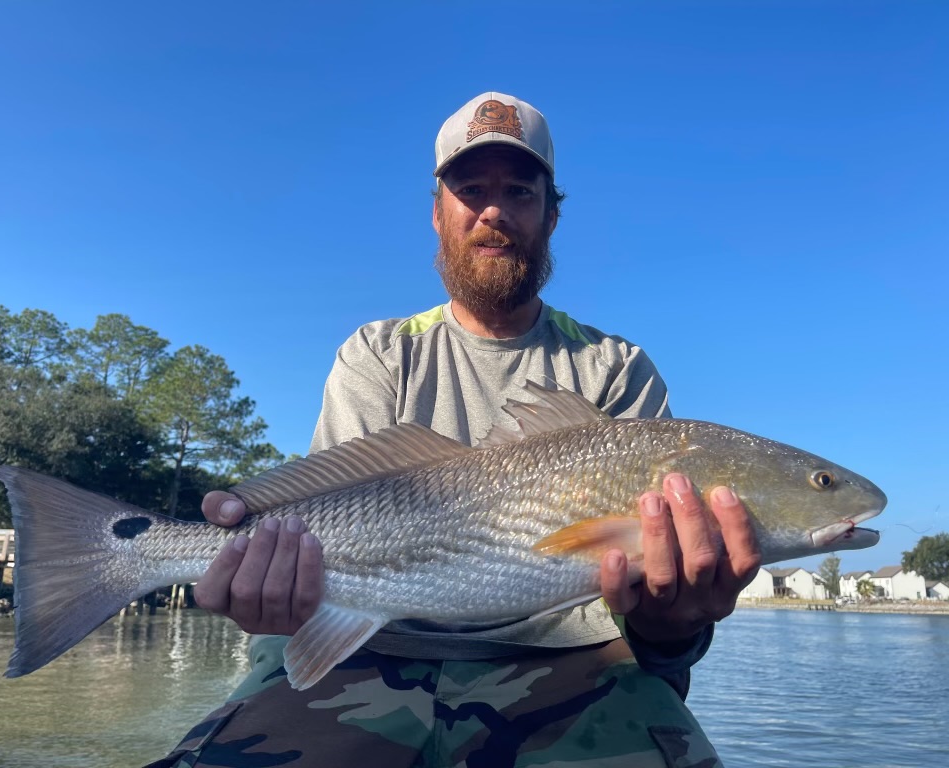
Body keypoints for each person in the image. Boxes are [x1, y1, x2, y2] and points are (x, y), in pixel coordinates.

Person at [149, 92, 761, 768]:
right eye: (471, 190)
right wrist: (270, 583)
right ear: (438, 213)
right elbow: (320, 529)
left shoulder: (616, 367)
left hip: (574, 660)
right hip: (366, 651)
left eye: (519, 191)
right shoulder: (379, 352)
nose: (494, 210)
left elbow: (656, 624)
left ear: (552, 216)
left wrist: (675, 623)